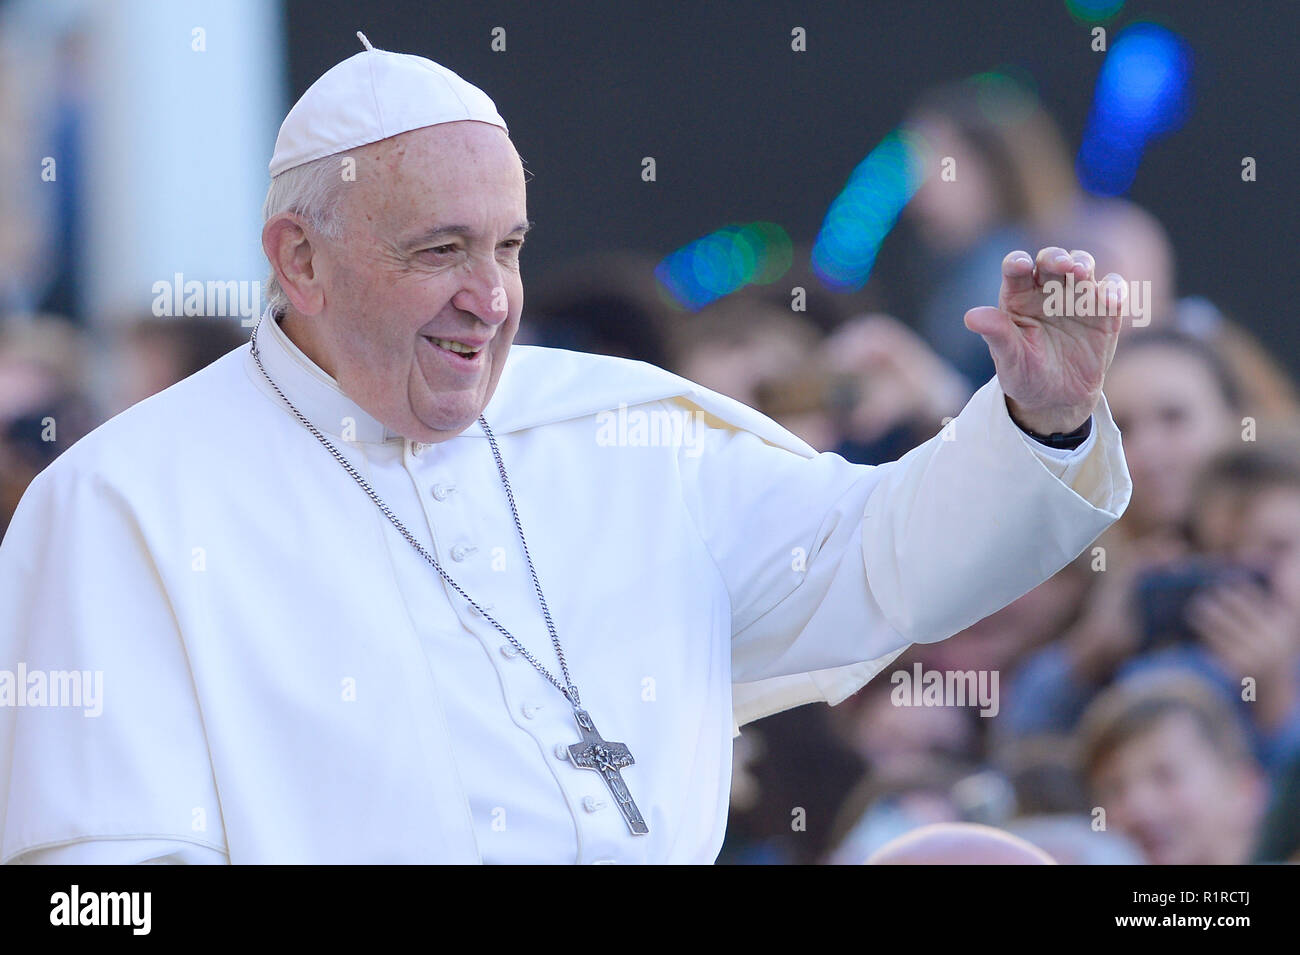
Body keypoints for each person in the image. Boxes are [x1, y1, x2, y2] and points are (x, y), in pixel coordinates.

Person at [0, 35, 1132, 864]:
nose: (488, 298)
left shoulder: (622, 428)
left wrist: (1034, 420)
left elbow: (880, 557)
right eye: (440, 249)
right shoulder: (125, 503)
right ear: (299, 260)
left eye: (508, 245)